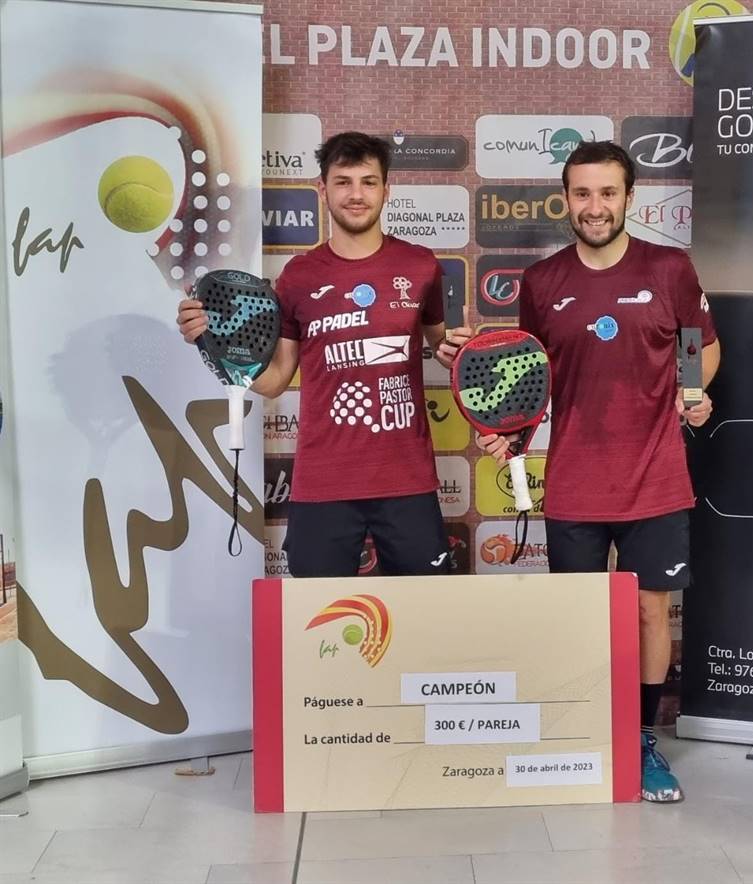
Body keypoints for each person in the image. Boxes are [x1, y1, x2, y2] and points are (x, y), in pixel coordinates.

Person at [478, 141, 720, 802]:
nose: (595, 207)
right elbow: (528, 374)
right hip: (575, 482)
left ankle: (640, 740)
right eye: (582, 193)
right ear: (566, 199)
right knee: (581, 616)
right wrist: (511, 435)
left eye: (607, 193)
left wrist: (692, 392)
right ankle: (586, 733)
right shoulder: (541, 282)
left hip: (655, 477)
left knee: (648, 612)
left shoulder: (669, 268)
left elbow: (697, 343)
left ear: (628, 198)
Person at [178, 131, 471, 577]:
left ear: (386, 190)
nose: (356, 195)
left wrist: (460, 350)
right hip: (323, 482)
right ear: (323, 189)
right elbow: (275, 380)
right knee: (315, 617)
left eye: (368, 182)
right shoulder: (298, 276)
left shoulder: (420, 265)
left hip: (406, 479)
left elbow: (444, 347)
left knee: (423, 613)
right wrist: (209, 340)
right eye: (343, 182)